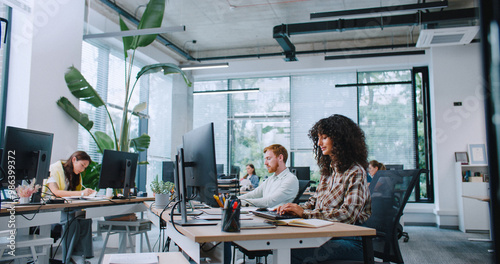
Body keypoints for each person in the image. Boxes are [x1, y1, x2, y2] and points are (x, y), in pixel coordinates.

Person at [276, 114, 372, 263]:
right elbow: (314, 201)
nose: (319, 142)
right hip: (325, 234)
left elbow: (348, 215)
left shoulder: (355, 171)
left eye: (325, 137)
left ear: (341, 140)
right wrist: (294, 209)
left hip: (350, 241)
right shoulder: (328, 171)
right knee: (285, 243)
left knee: (292, 250)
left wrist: (305, 214)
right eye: (319, 137)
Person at [46, 151, 95, 264]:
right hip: (52, 209)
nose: (82, 170)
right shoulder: (54, 169)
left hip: (67, 208)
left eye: (85, 167)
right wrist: (81, 193)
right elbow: (55, 192)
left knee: (85, 219)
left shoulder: (75, 176)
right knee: (71, 221)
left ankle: (79, 254)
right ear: (74, 160)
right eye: (82, 165)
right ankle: (67, 259)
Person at [238, 144, 299, 208]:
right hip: (265, 215)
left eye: (269, 158)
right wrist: (235, 199)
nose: (265, 163)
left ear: (280, 158)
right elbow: (253, 194)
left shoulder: (290, 180)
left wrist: (240, 202)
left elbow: (268, 202)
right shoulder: (270, 179)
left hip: (276, 216)